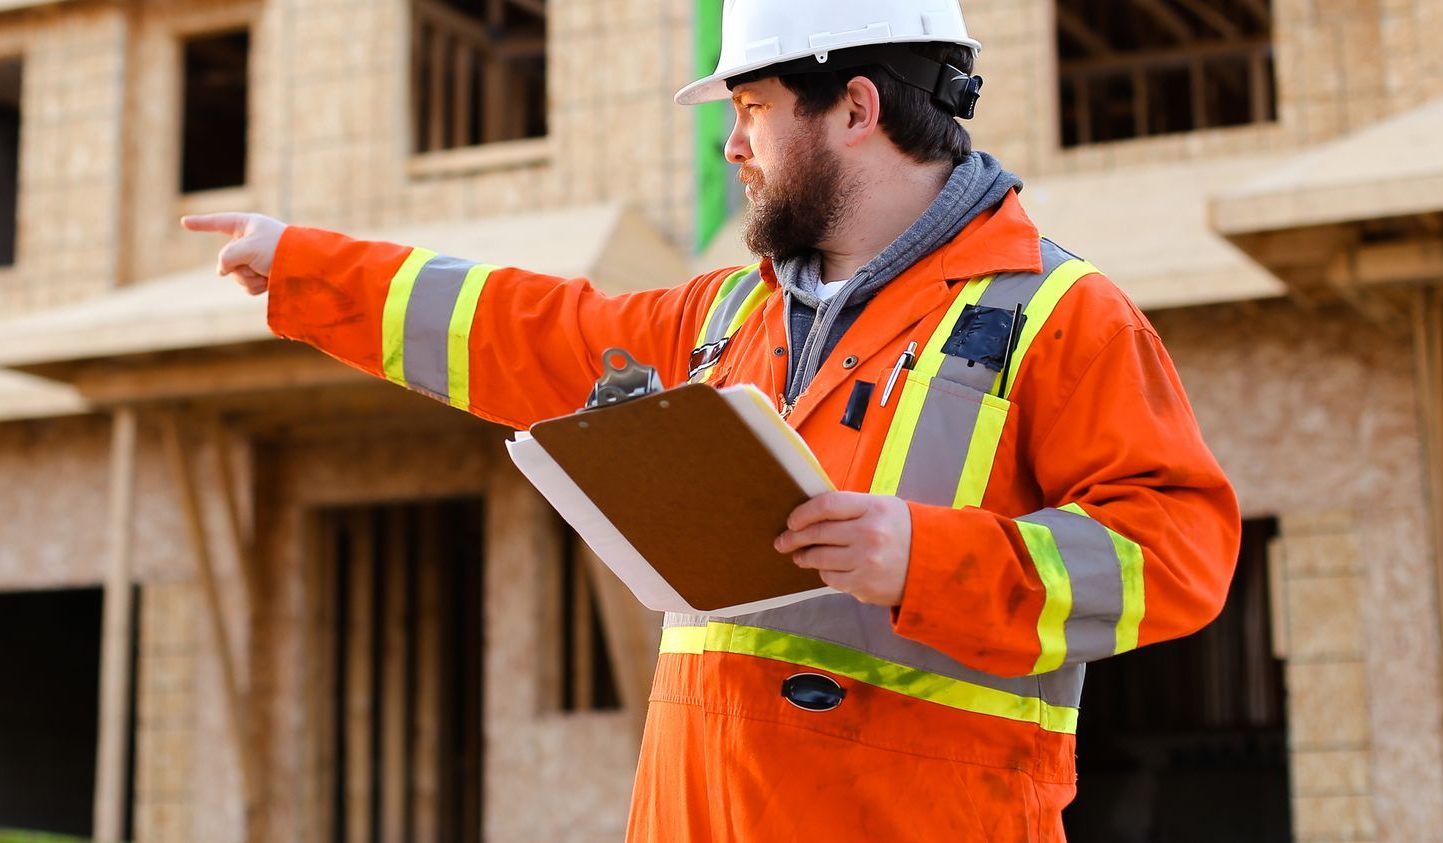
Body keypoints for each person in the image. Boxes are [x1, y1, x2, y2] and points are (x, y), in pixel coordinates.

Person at [184, 1, 1239, 838]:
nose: (735, 147)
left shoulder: (1055, 317)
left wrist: (926, 556)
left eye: (752, 109)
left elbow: (1181, 552)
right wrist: (304, 267)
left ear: (857, 109)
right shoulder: (724, 315)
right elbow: (523, 327)